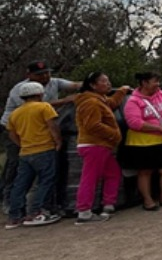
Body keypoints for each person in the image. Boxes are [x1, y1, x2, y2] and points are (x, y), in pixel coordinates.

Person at [1, 60, 80, 214]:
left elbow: (74, 85)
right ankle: (9, 200)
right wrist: (65, 100)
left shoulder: (54, 82)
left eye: (47, 73)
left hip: (39, 130)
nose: (45, 76)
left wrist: (90, 84)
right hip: (18, 130)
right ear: (29, 75)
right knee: (14, 166)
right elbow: (36, 106)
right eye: (39, 74)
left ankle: (25, 207)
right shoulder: (21, 89)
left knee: (30, 172)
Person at [72, 72, 130, 224]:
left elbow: (111, 103)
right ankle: (84, 212)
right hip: (94, 145)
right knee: (90, 178)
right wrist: (114, 135)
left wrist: (122, 91)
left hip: (100, 145)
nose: (108, 83)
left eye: (108, 80)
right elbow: (92, 125)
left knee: (113, 173)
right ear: (92, 85)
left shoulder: (99, 100)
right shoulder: (90, 102)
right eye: (104, 81)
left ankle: (108, 204)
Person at [4, 82, 62, 229]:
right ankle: (37, 212)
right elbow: (52, 126)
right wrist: (58, 141)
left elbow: (11, 134)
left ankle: (14, 216)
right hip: (44, 149)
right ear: (40, 94)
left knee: (21, 184)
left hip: (25, 152)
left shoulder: (15, 113)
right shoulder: (44, 107)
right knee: (46, 181)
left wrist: (22, 144)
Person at [122, 72, 162, 210]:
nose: (158, 84)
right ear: (144, 83)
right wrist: (160, 128)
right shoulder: (133, 101)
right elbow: (134, 122)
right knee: (145, 171)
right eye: (155, 81)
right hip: (142, 142)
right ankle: (148, 200)